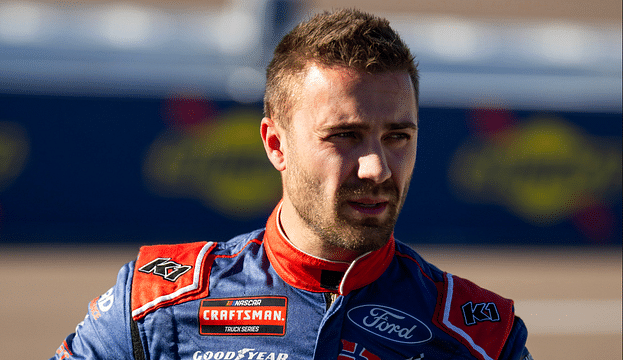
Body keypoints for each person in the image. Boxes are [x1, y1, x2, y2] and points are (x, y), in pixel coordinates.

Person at [51, 9, 531, 360]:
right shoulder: (154, 302)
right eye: (345, 136)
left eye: (397, 137)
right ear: (276, 144)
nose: (377, 168)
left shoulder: (480, 335)